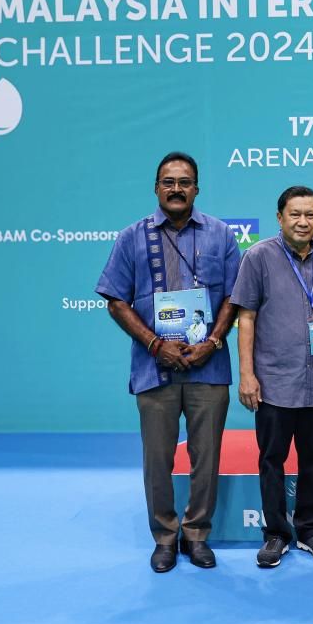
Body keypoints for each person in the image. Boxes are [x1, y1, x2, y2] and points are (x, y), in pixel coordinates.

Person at [95, 151, 241, 573]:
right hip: (153, 366)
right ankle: (164, 537)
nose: (176, 189)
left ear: (197, 188)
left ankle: (197, 535)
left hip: (208, 366)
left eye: (185, 182)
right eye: (169, 182)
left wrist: (213, 341)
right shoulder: (131, 237)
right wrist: (155, 344)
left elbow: (235, 296)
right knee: (158, 460)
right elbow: (116, 300)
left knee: (206, 458)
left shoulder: (221, 235)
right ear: (156, 188)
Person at [231, 185, 313, 568]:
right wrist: (247, 374)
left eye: (310, 214)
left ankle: (311, 530)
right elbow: (246, 318)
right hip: (273, 382)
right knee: (272, 459)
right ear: (280, 217)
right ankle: (276, 534)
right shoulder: (258, 257)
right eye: (294, 214)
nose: (302, 221)